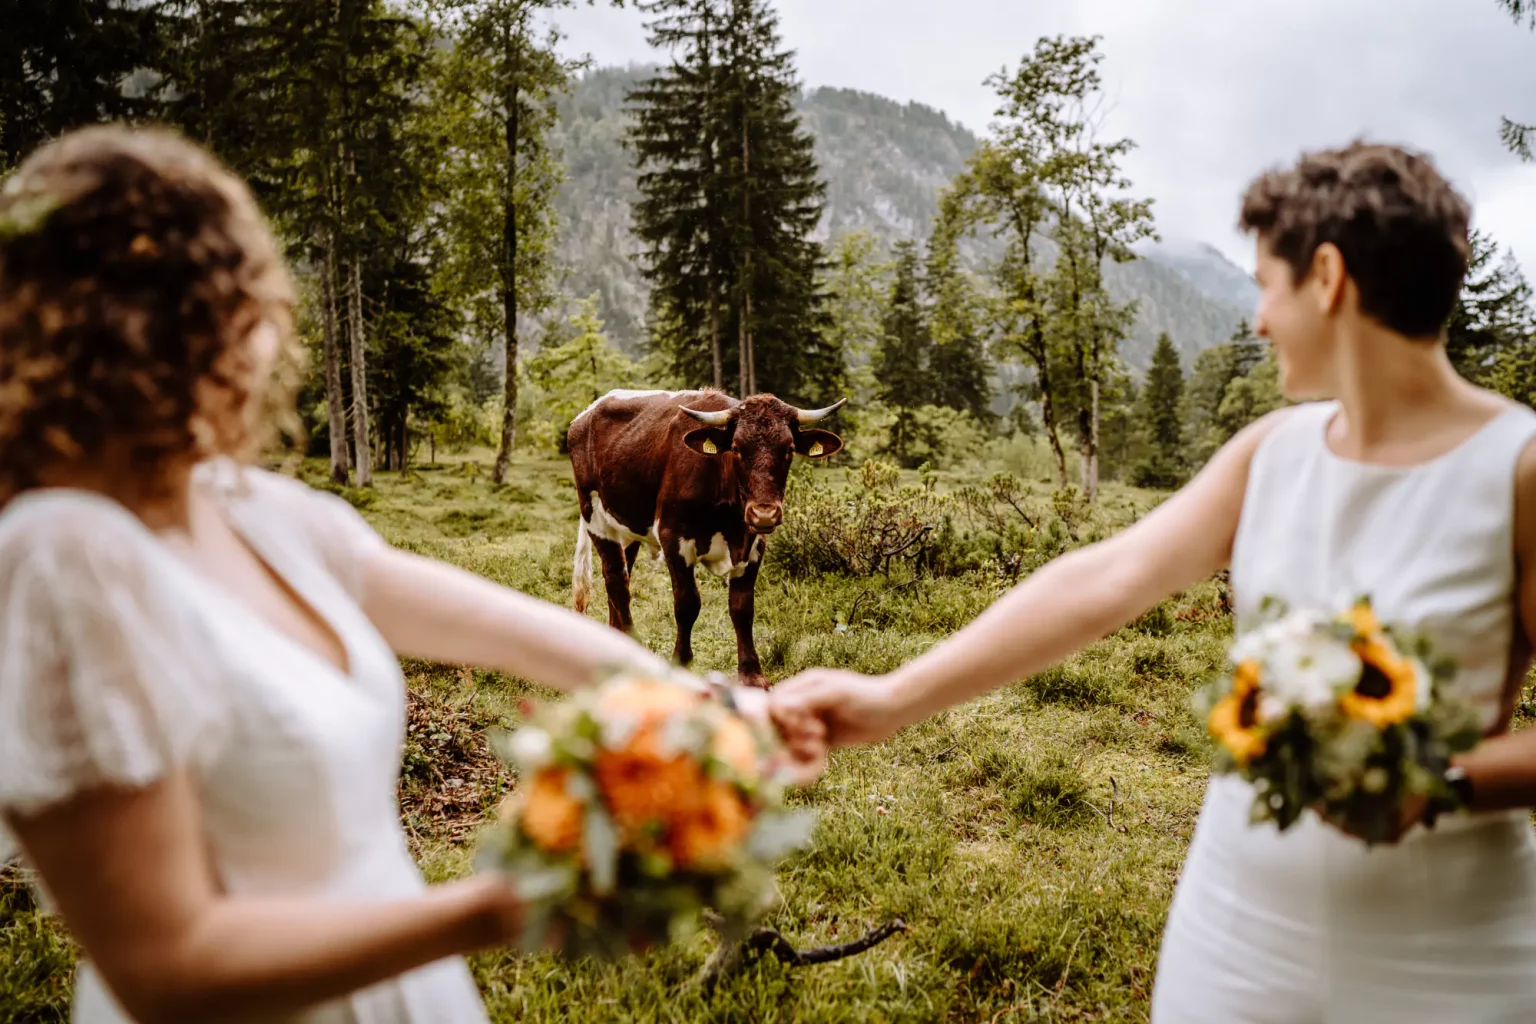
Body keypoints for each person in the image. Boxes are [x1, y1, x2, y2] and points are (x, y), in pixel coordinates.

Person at [0, 125, 777, 1024]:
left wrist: (712, 712)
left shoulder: (249, 507)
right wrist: (500, 906)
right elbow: (165, 968)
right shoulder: (61, 553)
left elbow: (492, 627)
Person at [770, 139, 1536, 1021]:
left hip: (1450, 958)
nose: (1256, 319)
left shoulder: (1515, 471)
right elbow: (1105, 578)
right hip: (1241, 929)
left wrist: (1443, 782)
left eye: (1266, 284)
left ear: (1326, 278)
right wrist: (892, 698)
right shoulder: (1272, 454)